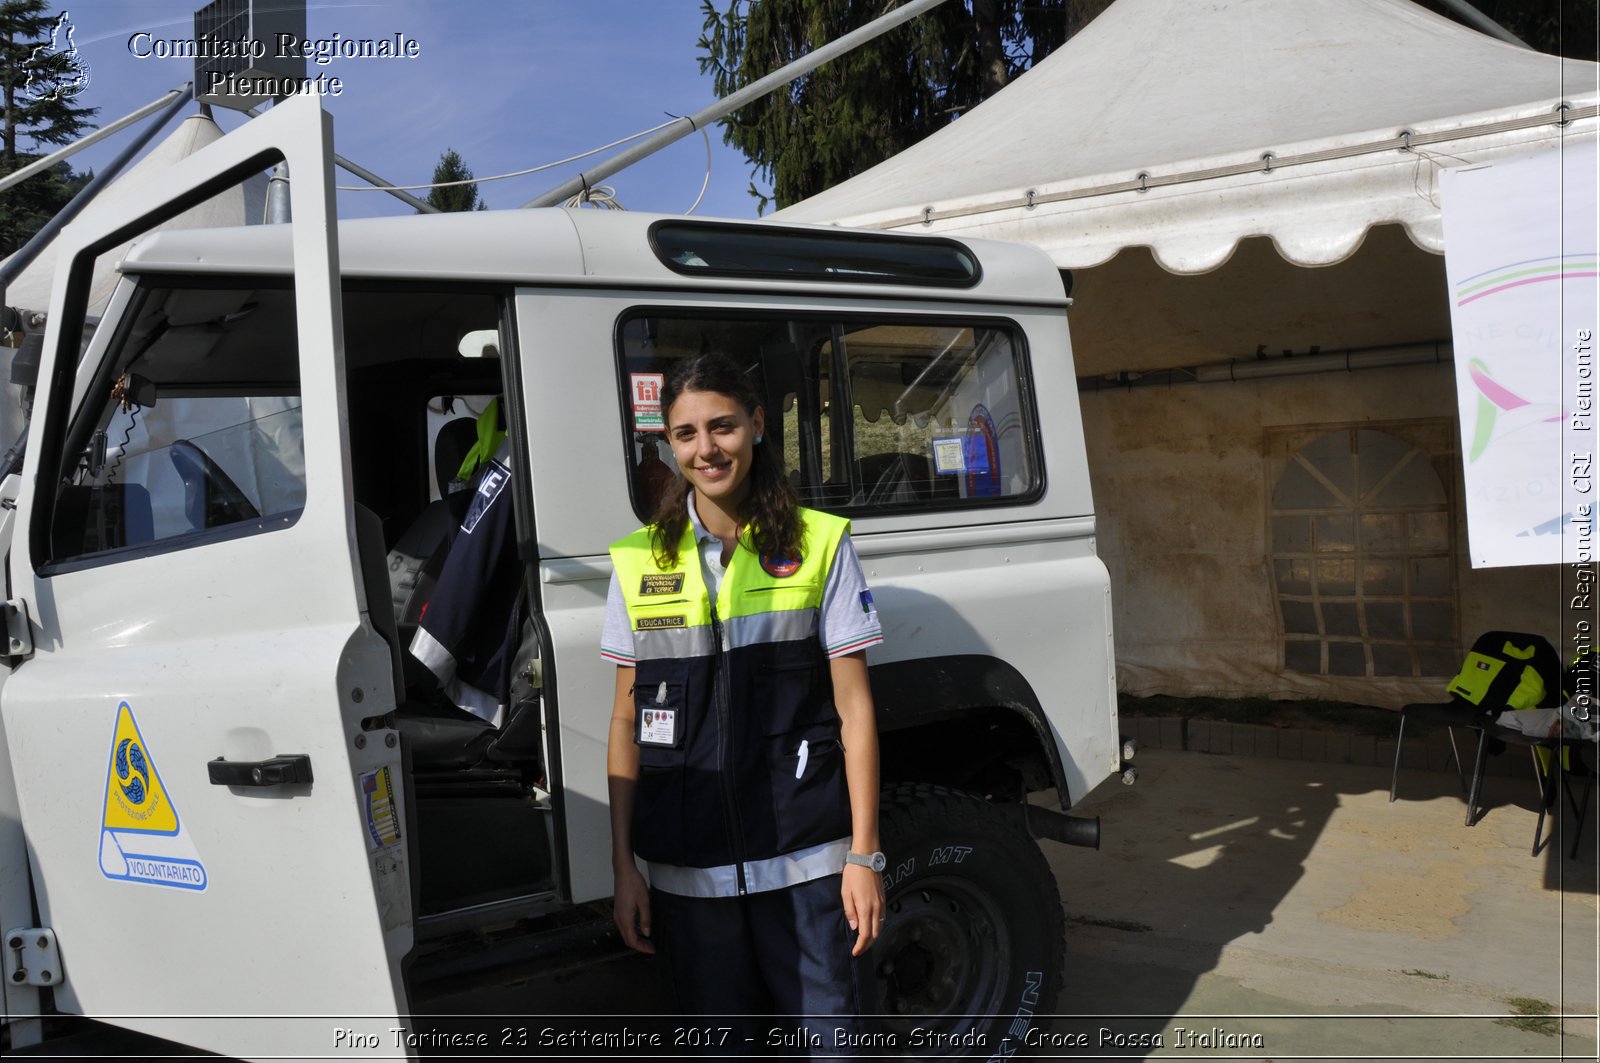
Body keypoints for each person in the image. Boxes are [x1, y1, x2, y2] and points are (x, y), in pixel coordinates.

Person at [602, 351, 886, 1053]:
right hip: (688, 876)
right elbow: (625, 721)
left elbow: (855, 711)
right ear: (668, 444)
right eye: (686, 433)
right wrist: (622, 869)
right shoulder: (639, 561)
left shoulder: (821, 543)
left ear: (757, 425)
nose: (707, 448)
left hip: (808, 865)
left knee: (834, 1047)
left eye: (722, 426)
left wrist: (865, 854)